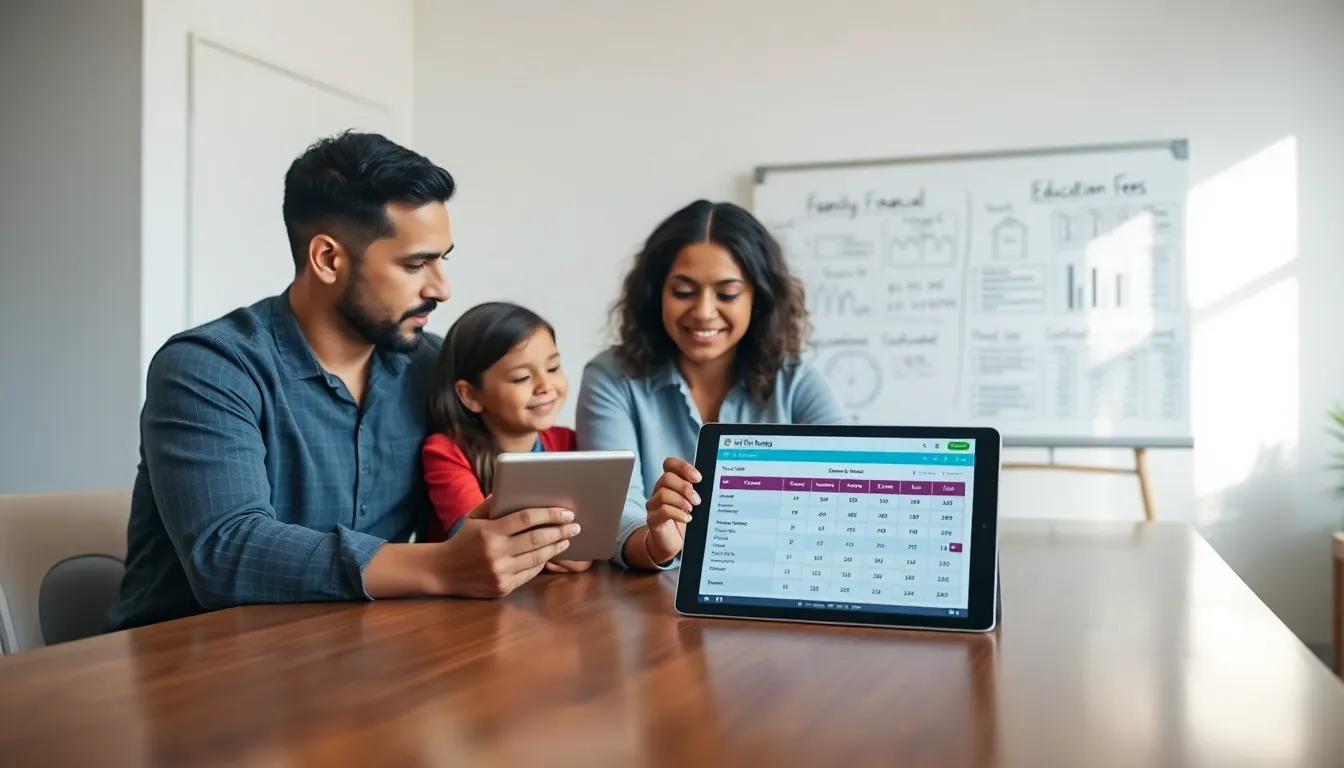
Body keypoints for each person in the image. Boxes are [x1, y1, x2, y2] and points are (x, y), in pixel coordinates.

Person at [107, 132, 579, 631]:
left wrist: (548, 538)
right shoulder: (209, 367)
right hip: (188, 656)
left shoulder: (432, 365)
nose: (442, 288)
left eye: (443, 259)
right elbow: (225, 553)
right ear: (328, 259)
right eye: (416, 264)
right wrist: (441, 565)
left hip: (357, 647)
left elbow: (488, 468)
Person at [576, 199, 845, 571]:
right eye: (683, 292)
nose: (703, 312)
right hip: (652, 593)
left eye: (727, 294)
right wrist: (655, 543)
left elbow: (846, 486)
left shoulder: (796, 380)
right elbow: (616, 512)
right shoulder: (611, 378)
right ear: (656, 294)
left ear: (759, 298)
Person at [421, 301, 591, 573]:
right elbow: (480, 545)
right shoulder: (445, 452)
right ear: (470, 395)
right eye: (522, 377)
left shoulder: (568, 442)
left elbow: (588, 533)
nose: (545, 386)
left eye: (553, 368)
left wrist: (585, 548)